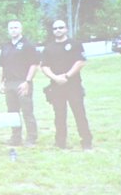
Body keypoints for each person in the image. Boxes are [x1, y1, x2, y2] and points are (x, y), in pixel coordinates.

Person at [40, 20, 93, 150]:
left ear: (66, 29)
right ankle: (60, 143)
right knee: (59, 116)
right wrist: (55, 78)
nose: (58, 30)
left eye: (60, 27)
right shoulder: (48, 48)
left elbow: (80, 62)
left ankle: (86, 142)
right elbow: (44, 66)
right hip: (56, 87)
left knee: (79, 114)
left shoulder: (75, 44)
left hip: (73, 85)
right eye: (55, 28)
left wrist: (67, 76)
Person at [0, 20, 41, 147]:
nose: (13, 30)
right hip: (9, 83)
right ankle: (16, 138)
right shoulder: (5, 46)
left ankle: (31, 138)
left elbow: (34, 64)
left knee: (27, 112)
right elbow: (2, 66)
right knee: (12, 112)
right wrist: (1, 82)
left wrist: (27, 82)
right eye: (11, 28)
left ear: (21, 29)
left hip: (22, 83)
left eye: (16, 27)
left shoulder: (28, 45)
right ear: (8, 30)